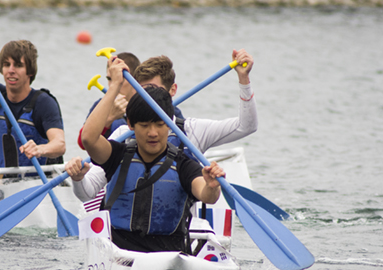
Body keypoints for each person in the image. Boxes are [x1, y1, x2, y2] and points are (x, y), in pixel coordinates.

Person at [67, 50, 256, 202]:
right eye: (142, 91)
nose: (148, 98)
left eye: (153, 90)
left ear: (172, 90)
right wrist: (78, 179)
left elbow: (246, 126)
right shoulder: (124, 134)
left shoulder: (192, 132)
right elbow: (87, 193)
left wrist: (244, 80)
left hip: (176, 235)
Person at [79, 57, 225, 253]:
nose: (153, 133)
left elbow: (206, 195)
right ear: (130, 124)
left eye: (159, 124)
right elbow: (88, 138)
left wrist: (212, 186)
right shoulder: (117, 154)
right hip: (119, 252)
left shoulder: (183, 164)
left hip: (170, 255)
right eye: (145, 125)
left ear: (170, 124)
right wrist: (114, 85)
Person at [0, 40, 65, 168]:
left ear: (30, 71)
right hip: (6, 182)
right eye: (6, 64)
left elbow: (60, 145)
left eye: (18, 65)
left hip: (40, 182)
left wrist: (39, 149)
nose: (11, 70)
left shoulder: (43, 102)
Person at [77, 52, 140, 149]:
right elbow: (82, 143)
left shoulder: (145, 105)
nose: (112, 85)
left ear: (135, 80)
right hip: (108, 161)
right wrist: (109, 118)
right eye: (110, 79)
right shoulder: (100, 105)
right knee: (117, 123)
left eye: (120, 79)